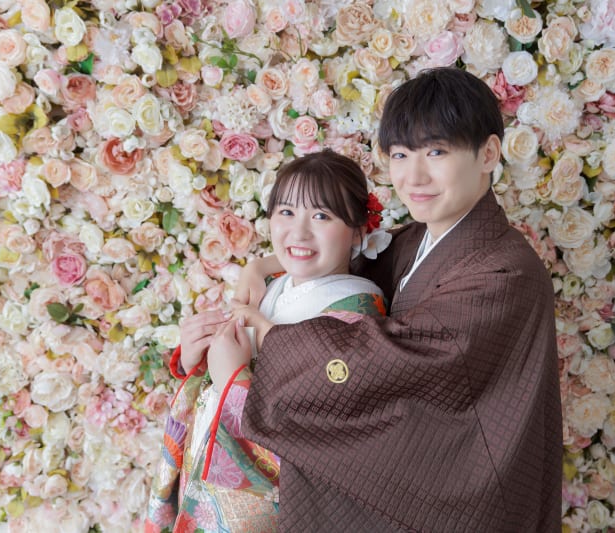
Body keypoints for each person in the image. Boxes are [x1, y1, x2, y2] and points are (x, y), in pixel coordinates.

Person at [228, 67, 563, 531]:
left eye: (437, 152)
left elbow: (394, 356)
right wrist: (263, 266)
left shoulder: (505, 272)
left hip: (464, 488)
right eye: (401, 154)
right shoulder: (416, 240)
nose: (414, 176)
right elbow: (345, 258)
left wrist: (268, 336)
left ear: (488, 153)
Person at [145, 151, 388, 532]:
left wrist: (232, 380)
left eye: (322, 216)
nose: (299, 233)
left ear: (359, 229)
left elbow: (313, 433)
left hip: (260, 505)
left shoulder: (358, 311)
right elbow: (219, 372)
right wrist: (196, 357)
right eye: (286, 212)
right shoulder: (273, 283)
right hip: (202, 470)